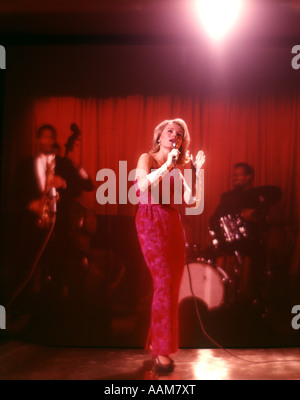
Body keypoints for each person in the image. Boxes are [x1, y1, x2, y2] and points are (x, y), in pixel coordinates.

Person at [134, 118, 205, 372]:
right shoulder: (148, 159)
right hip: (151, 221)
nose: (174, 135)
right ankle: (161, 351)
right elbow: (140, 187)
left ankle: (157, 344)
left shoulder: (176, 171)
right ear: (159, 137)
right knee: (163, 281)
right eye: (170, 131)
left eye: (179, 133)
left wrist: (196, 173)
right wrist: (166, 165)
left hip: (173, 226)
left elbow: (192, 200)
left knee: (170, 286)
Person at [8, 124, 94, 312]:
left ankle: (50, 312)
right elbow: (14, 193)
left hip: (59, 227)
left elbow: (86, 186)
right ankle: (16, 313)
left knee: (57, 269)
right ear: (38, 140)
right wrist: (31, 203)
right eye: (44, 137)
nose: (47, 140)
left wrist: (64, 182)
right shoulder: (24, 165)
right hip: (31, 225)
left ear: (54, 140)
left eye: (50, 137)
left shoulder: (64, 164)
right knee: (25, 268)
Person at [206, 162, 282, 306]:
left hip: (250, 241)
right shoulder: (227, 197)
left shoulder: (258, 196)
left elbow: (265, 220)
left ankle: (247, 298)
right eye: (234, 175)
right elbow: (215, 218)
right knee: (209, 253)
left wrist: (253, 213)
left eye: (240, 175)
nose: (236, 178)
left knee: (254, 256)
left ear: (249, 177)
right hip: (228, 241)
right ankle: (218, 296)